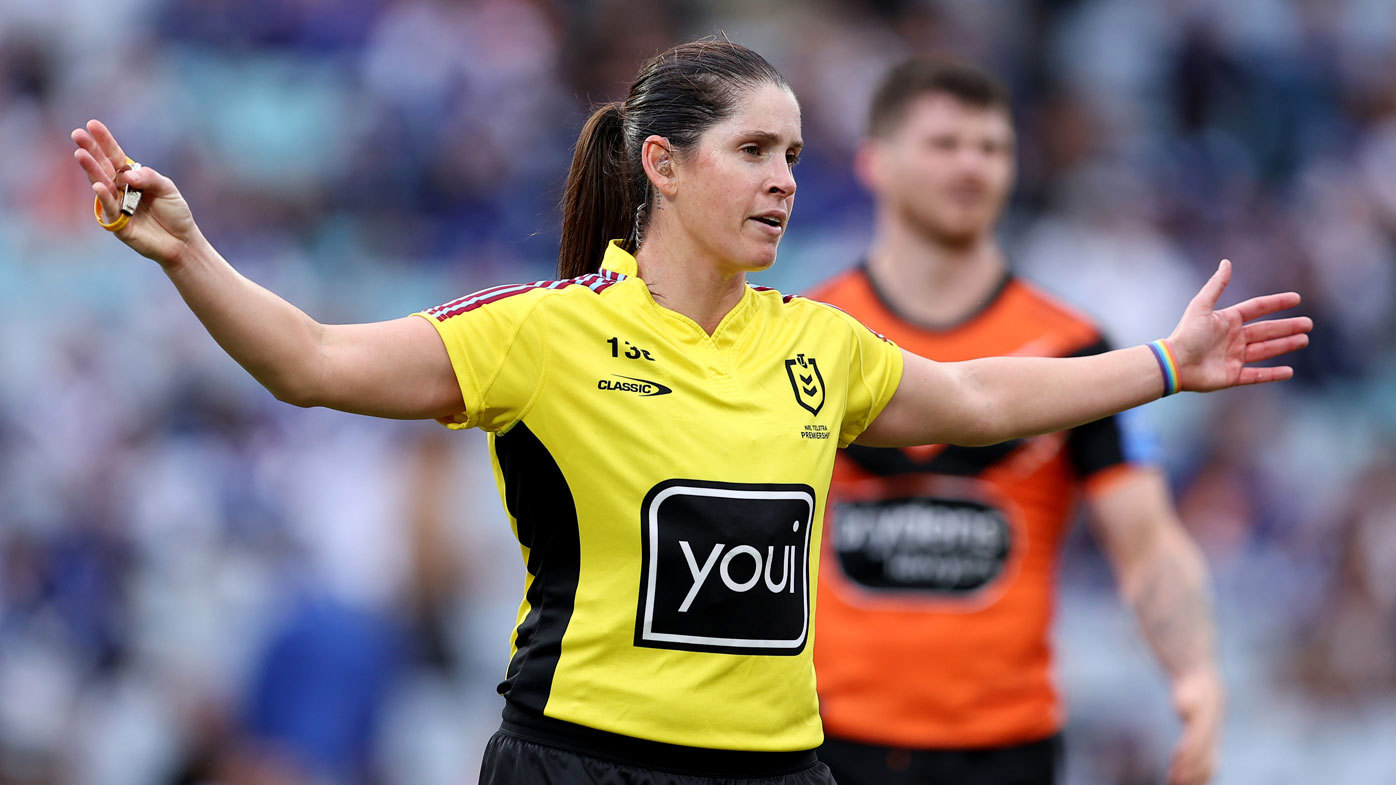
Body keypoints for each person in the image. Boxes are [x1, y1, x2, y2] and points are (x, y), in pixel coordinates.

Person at [71, 40, 1309, 785]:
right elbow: (313, 360)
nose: (782, 180)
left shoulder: (815, 343)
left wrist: (1161, 359)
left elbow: (981, 393)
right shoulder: (543, 332)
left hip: (778, 772)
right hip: (580, 763)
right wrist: (189, 254)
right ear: (661, 164)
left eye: (796, 156)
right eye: (755, 150)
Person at [809, 58, 1223, 785]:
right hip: (818, 743)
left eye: (992, 147)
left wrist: (1195, 672)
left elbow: (1149, 543)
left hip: (1006, 751)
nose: (971, 166)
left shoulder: (1078, 352)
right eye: (944, 144)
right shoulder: (804, 334)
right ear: (874, 162)